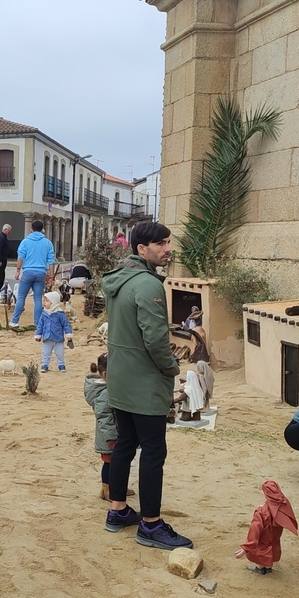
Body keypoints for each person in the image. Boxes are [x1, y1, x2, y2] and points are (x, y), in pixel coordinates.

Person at [102, 220, 193, 550]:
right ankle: (151, 525)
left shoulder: (118, 280)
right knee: (154, 451)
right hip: (143, 381)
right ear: (142, 249)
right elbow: (155, 340)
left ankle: (118, 511)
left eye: (168, 242)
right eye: (161, 244)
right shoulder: (148, 285)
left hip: (120, 379)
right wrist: (171, 368)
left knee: (125, 443)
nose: (167, 249)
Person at [234, 481, 298, 575]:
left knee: (261, 552)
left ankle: (260, 569)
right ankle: (268, 568)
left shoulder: (261, 512)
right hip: (275, 536)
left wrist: (246, 547)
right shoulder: (282, 505)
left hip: (264, 537)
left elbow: (255, 529)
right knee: (271, 549)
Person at [11, 220, 56, 328]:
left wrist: (18, 270)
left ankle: (15, 321)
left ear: (31, 229)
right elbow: (51, 261)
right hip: (41, 273)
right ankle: (37, 323)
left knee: (21, 296)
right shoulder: (48, 243)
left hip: (28, 272)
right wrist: (51, 276)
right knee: (37, 299)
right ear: (42, 229)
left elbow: (20, 257)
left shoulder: (25, 241)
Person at [86, 353, 118, 501]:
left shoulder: (107, 389)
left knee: (118, 463)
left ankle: (116, 486)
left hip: (112, 434)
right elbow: (104, 417)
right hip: (109, 437)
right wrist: (112, 438)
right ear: (105, 374)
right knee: (110, 463)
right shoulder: (105, 393)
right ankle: (107, 489)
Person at [34, 290, 73, 372]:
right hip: (47, 337)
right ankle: (45, 364)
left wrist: (68, 334)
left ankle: (61, 364)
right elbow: (40, 325)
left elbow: (65, 324)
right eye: (44, 301)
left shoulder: (60, 313)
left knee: (60, 353)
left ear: (54, 302)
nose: (44, 303)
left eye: (47, 301)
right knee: (46, 352)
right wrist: (38, 335)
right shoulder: (44, 313)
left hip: (58, 337)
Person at [0, 223, 11, 295]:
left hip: (3, 258)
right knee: (0, 275)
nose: (9, 232)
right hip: (0, 259)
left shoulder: (4, 237)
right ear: (5, 230)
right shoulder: (1, 237)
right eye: (9, 230)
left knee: (2, 274)